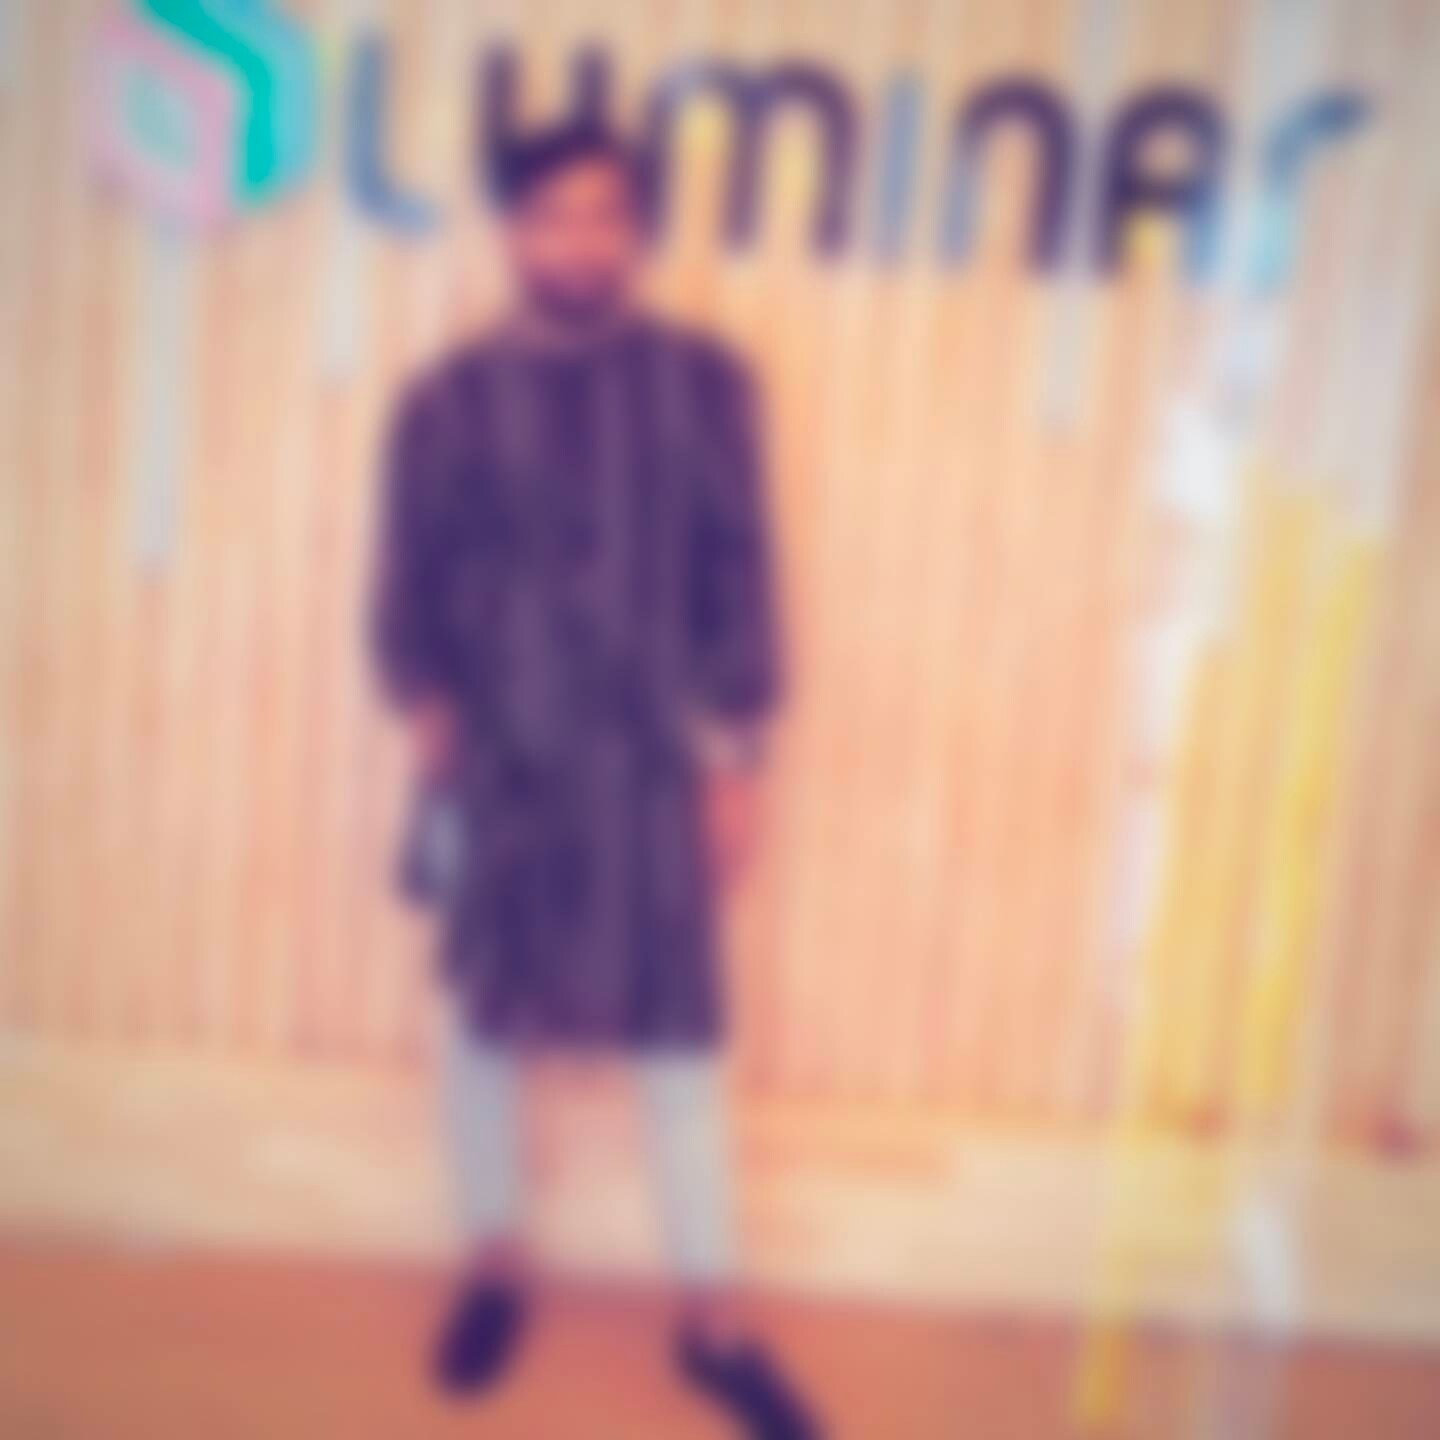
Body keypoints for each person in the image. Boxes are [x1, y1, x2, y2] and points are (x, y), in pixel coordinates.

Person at [368, 118, 817, 1438]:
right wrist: (425, 700)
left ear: (636, 229)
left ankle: (715, 1320)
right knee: (479, 1027)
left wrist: (738, 756)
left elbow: (740, 570)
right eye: (554, 215)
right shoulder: (444, 401)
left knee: (682, 1040)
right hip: (498, 761)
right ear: (514, 231)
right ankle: (495, 1263)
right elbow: (405, 577)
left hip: (646, 763)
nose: (581, 240)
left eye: (606, 214)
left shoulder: (705, 384)